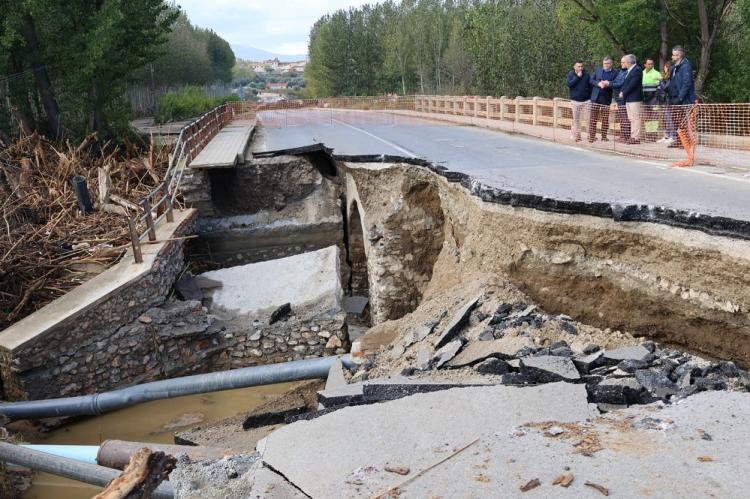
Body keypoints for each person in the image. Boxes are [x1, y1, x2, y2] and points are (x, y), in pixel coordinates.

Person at [666, 45, 698, 148]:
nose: (672, 57)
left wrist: (680, 97)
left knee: (686, 122)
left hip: (684, 99)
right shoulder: (675, 66)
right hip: (674, 98)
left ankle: (687, 142)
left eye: (674, 55)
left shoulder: (685, 66)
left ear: (679, 55)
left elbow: (686, 83)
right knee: (677, 121)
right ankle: (680, 140)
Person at [588, 56, 618, 142]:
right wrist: (598, 84)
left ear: (611, 64)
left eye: (607, 63)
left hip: (606, 98)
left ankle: (604, 136)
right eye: (604, 63)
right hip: (595, 98)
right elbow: (591, 80)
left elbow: (616, 83)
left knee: (605, 119)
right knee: (593, 118)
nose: (605, 65)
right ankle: (592, 137)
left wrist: (608, 84)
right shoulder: (598, 70)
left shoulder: (615, 73)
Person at [618, 54, 643, 144]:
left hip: (635, 98)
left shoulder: (637, 70)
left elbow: (633, 84)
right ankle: (633, 136)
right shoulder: (630, 70)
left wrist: (623, 92)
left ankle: (636, 138)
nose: (623, 64)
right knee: (631, 118)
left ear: (629, 62)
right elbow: (627, 84)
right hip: (629, 98)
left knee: (635, 118)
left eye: (624, 62)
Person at [566, 60, 592, 142]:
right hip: (575, 101)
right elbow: (569, 84)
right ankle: (577, 136)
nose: (580, 68)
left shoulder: (586, 74)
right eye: (579, 66)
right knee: (576, 120)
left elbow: (590, 86)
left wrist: (590, 97)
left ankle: (590, 136)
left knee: (588, 119)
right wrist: (577, 77)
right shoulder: (571, 74)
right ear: (574, 67)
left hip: (586, 101)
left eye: (581, 66)